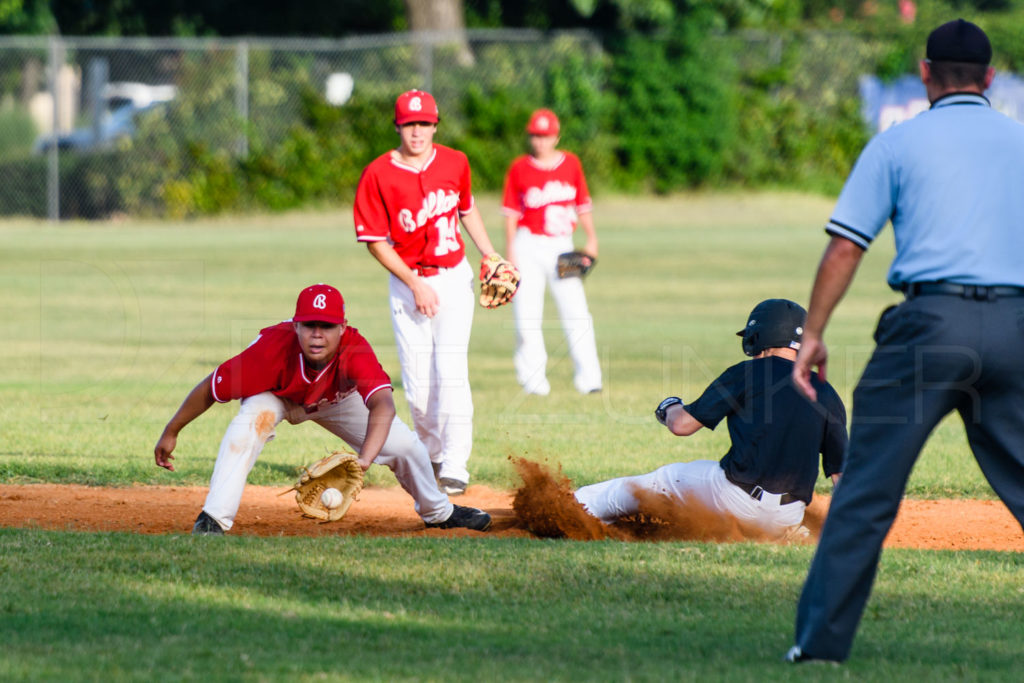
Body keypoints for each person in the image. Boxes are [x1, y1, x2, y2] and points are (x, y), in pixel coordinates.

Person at [786, 19, 1024, 664]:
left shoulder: (897, 142)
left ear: (925, 74)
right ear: (991, 78)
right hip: (1016, 326)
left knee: (864, 493)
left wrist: (812, 334)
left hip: (928, 328)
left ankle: (819, 648)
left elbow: (845, 245)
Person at [153, 283, 492, 535]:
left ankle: (439, 512)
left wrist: (362, 462)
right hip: (277, 393)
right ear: (295, 326)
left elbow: (383, 406)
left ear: (342, 328)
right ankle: (213, 518)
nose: (317, 334)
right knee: (248, 426)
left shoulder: (355, 349)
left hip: (335, 399)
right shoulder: (270, 352)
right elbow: (211, 388)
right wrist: (172, 430)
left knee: (404, 445)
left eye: (327, 326)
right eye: (309, 325)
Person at [574, 299, 846, 539]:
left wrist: (669, 407)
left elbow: (682, 425)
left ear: (761, 335)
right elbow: (841, 476)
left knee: (662, 481)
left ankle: (576, 507)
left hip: (736, 500)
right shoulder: (827, 392)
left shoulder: (748, 372)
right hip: (788, 516)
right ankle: (778, 534)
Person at [353, 89, 513, 497]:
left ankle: (456, 463)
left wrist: (490, 252)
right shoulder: (378, 175)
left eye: (424, 123)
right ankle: (433, 455)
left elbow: (466, 208)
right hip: (409, 285)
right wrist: (414, 283)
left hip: (453, 279)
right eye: (409, 123)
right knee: (419, 385)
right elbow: (375, 241)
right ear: (397, 126)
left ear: (435, 125)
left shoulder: (455, 162)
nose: (417, 131)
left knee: (451, 370)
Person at [502, 108, 602, 395]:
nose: (540, 141)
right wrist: (511, 251)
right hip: (528, 244)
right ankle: (533, 381)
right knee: (526, 314)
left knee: (576, 311)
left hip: (562, 246)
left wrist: (592, 238)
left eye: (545, 135)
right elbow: (510, 212)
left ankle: (589, 379)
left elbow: (582, 203)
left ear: (556, 136)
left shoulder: (570, 163)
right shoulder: (520, 167)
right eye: (535, 135)